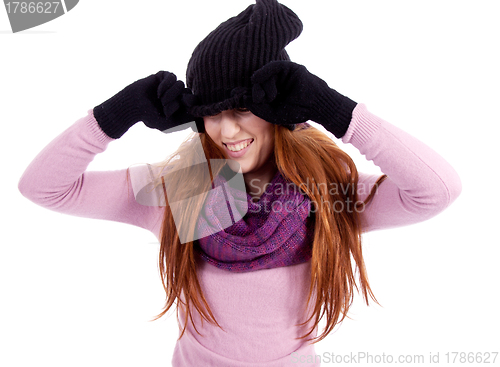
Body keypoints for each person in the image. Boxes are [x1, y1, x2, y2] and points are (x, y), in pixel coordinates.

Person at [17, 0, 462, 366]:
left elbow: (436, 190)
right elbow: (45, 188)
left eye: (242, 110)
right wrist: (118, 113)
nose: (227, 132)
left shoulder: (325, 194)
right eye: (212, 113)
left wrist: (337, 111)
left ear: (281, 107)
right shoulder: (182, 188)